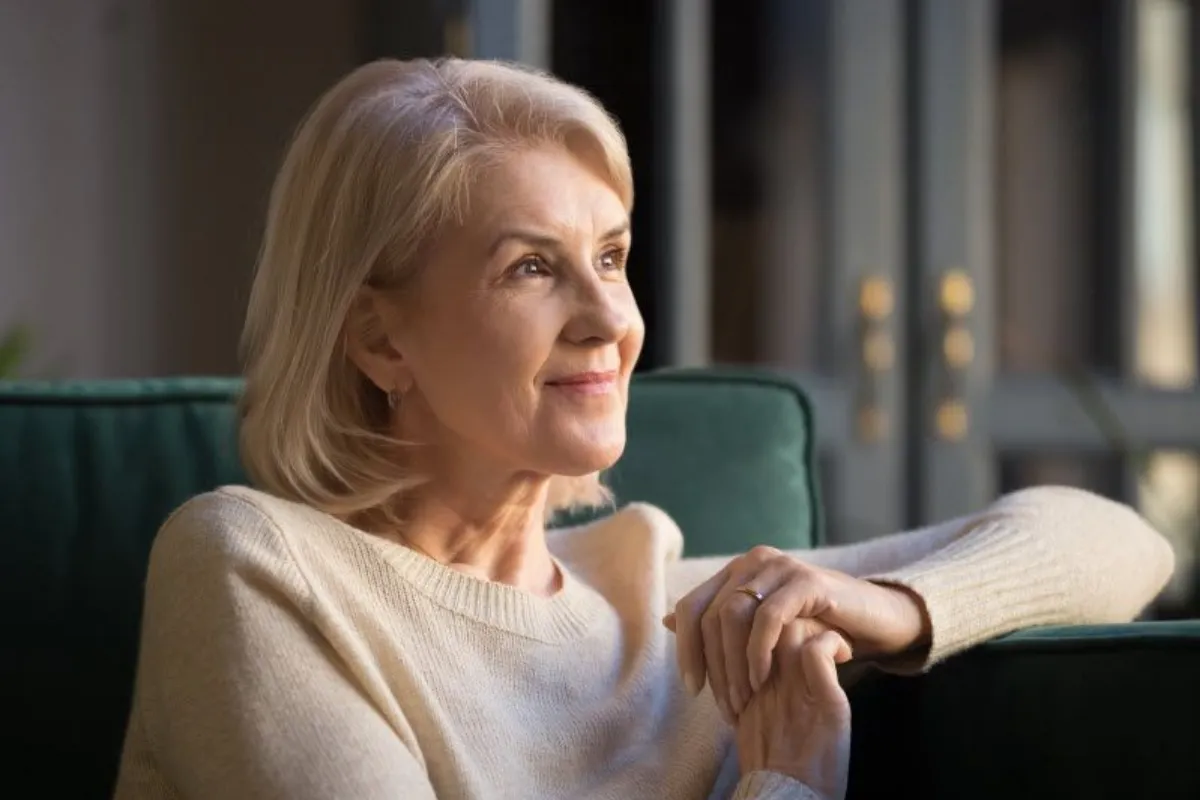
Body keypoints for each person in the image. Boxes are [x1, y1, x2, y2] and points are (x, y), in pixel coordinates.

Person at [112, 58, 1175, 800]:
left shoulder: (677, 608)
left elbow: (1122, 542)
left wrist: (887, 604)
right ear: (379, 339)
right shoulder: (256, 570)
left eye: (613, 258)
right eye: (532, 267)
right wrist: (786, 782)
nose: (613, 320)